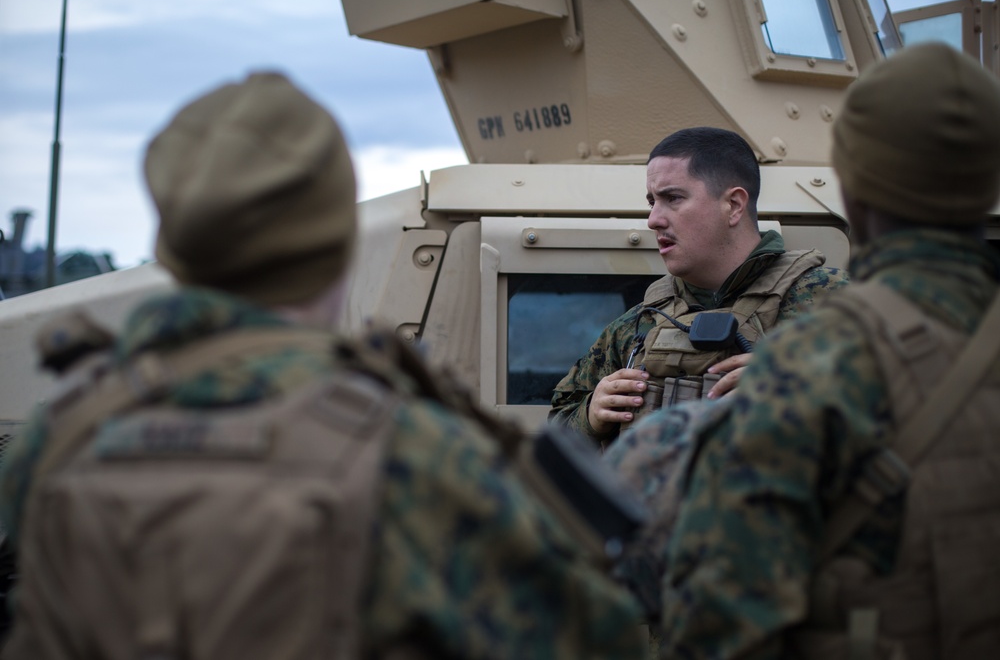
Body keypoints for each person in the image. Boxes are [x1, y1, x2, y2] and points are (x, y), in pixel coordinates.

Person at [0, 72, 646, 659]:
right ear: (338, 245)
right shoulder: (417, 451)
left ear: (173, 243)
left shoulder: (58, 436)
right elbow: (600, 637)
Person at [608, 42, 1000, 659]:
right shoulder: (652, 315)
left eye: (672, 199)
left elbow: (717, 624)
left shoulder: (808, 367)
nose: (654, 218)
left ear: (855, 188)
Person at [549, 127, 848, 445]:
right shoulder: (638, 325)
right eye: (652, 202)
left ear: (733, 205)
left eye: (672, 198)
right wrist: (591, 414)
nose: (653, 219)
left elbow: (901, 417)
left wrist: (800, 393)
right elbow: (556, 429)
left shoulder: (832, 302)